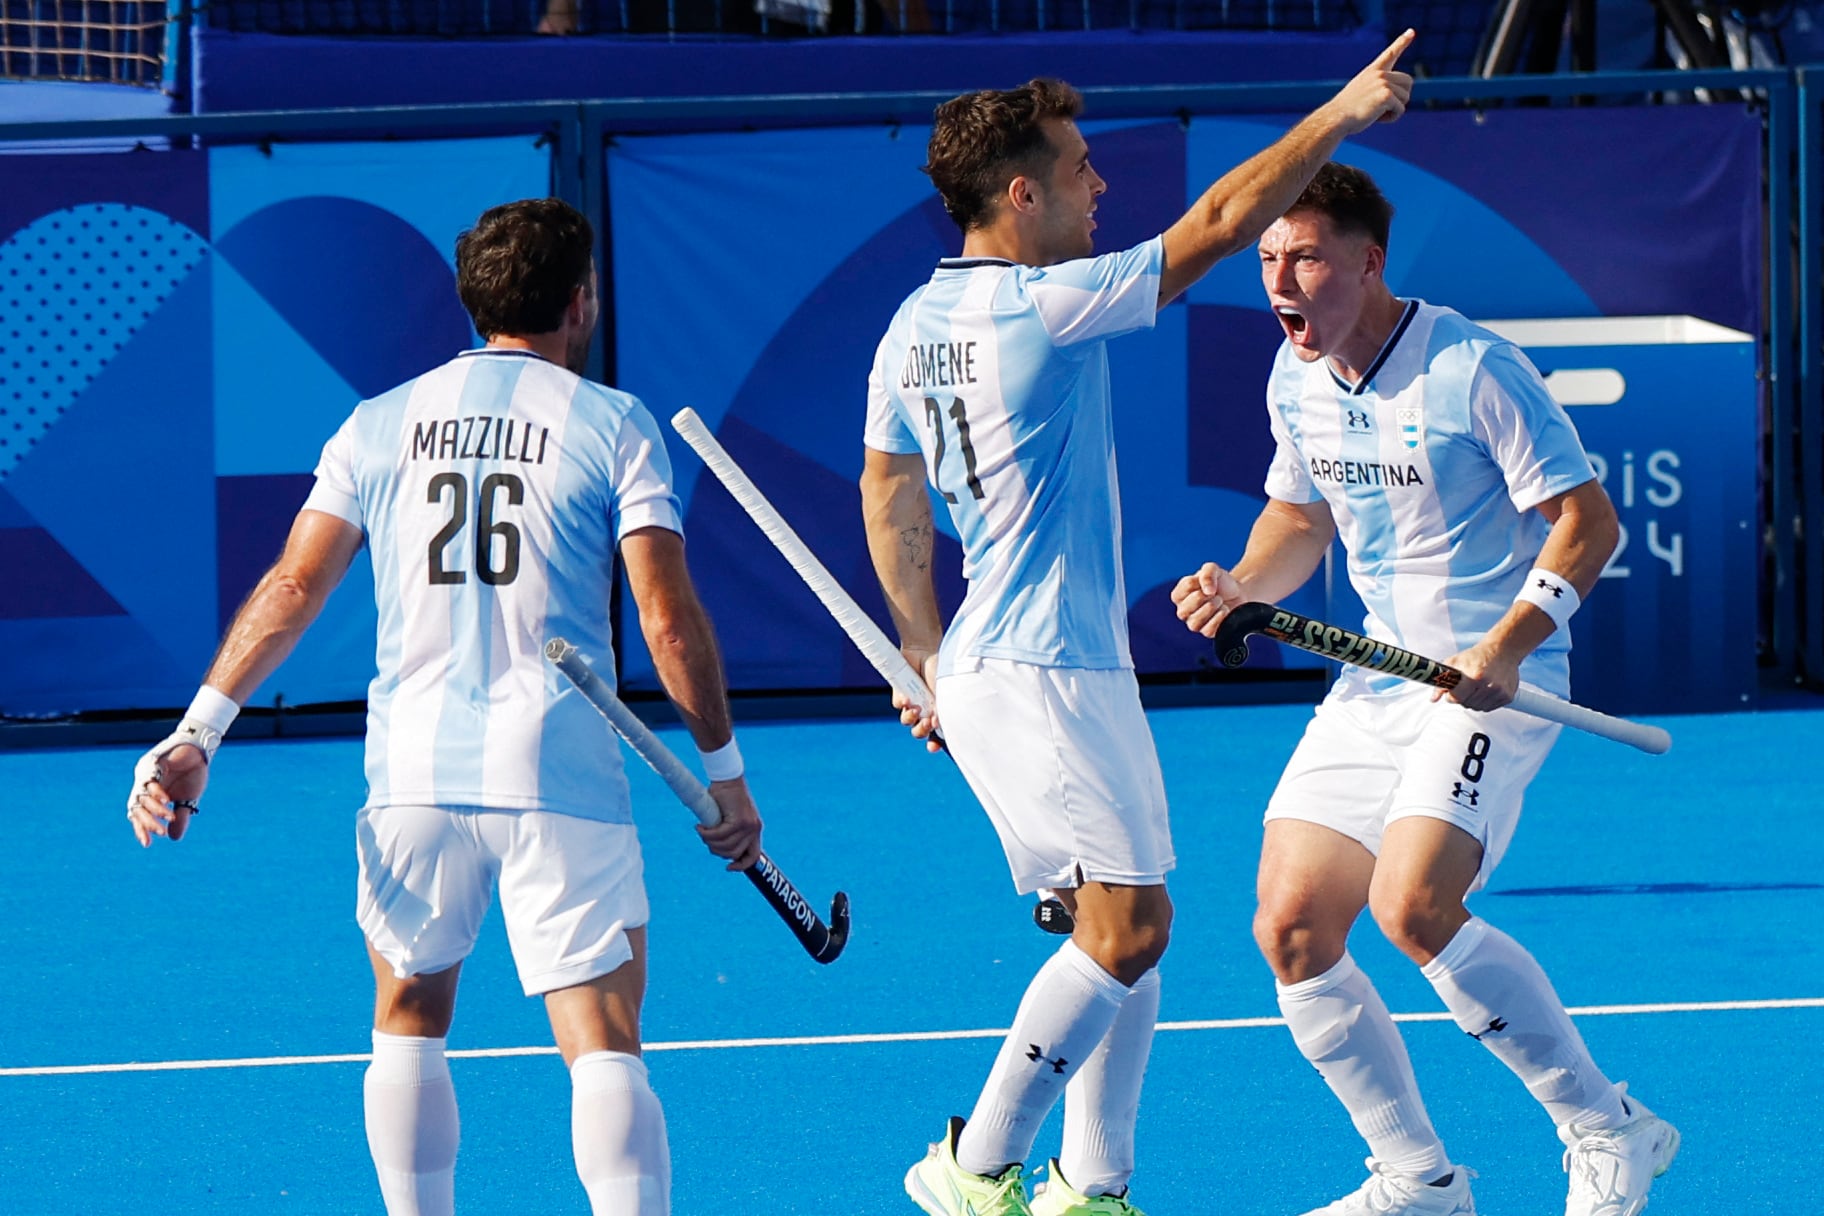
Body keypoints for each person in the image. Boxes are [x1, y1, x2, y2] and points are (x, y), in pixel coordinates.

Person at [858, 40, 1416, 1216]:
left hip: (1009, 661)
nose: (1099, 188)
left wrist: (925, 652)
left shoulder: (909, 327)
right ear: (1022, 195)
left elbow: (887, 488)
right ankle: (975, 1163)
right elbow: (1218, 221)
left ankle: (1091, 1184)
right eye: (1080, 170)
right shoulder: (1046, 304)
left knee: (1120, 918)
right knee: (1130, 924)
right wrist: (1342, 116)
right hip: (1044, 667)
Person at [124, 197, 763, 1216]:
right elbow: (669, 620)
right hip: (558, 772)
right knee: (602, 1034)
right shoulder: (613, 423)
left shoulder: (376, 423)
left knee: (409, 1013)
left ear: (475, 301)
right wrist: (723, 778)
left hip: (412, 773)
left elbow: (292, 588)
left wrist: (198, 731)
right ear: (581, 300)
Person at [1170, 162, 1679, 1216]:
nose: (1282, 280)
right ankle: (1420, 1178)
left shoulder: (1472, 369)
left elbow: (1588, 523)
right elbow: (1298, 521)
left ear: (1367, 261)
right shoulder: (1292, 377)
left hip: (1499, 677)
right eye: (1268, 259)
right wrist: (1239, 581)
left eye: (1305, 255)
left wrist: (1510, 639)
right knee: (1293, 925)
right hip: (1378, 676)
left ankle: (1608, 1124)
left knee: (1413, 905)